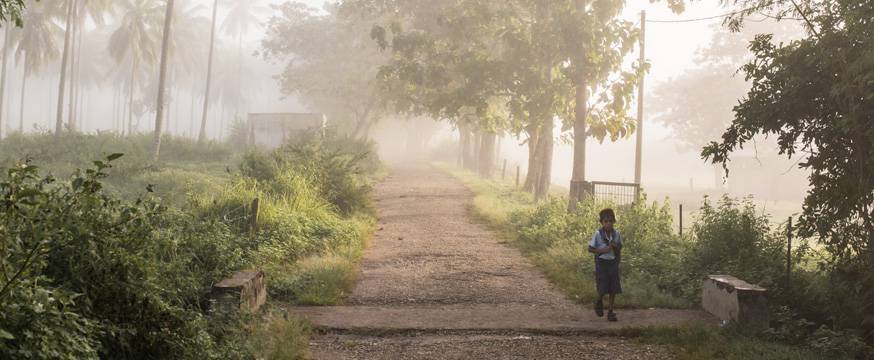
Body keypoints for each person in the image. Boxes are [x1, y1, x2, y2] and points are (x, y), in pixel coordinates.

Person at [588, 208, 622, 321]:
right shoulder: (598, 234)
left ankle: (611, 311)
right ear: (601, 222)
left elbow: (619, 247)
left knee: (613, 288)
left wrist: (615, 248)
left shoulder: (616, 234)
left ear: (614, 221)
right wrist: (603, 250)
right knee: (602, 286)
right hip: (602, 263)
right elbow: (590, 249)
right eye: (606, 221)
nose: (608, 224)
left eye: (610, 221)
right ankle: (599, 301)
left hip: (612, 263)